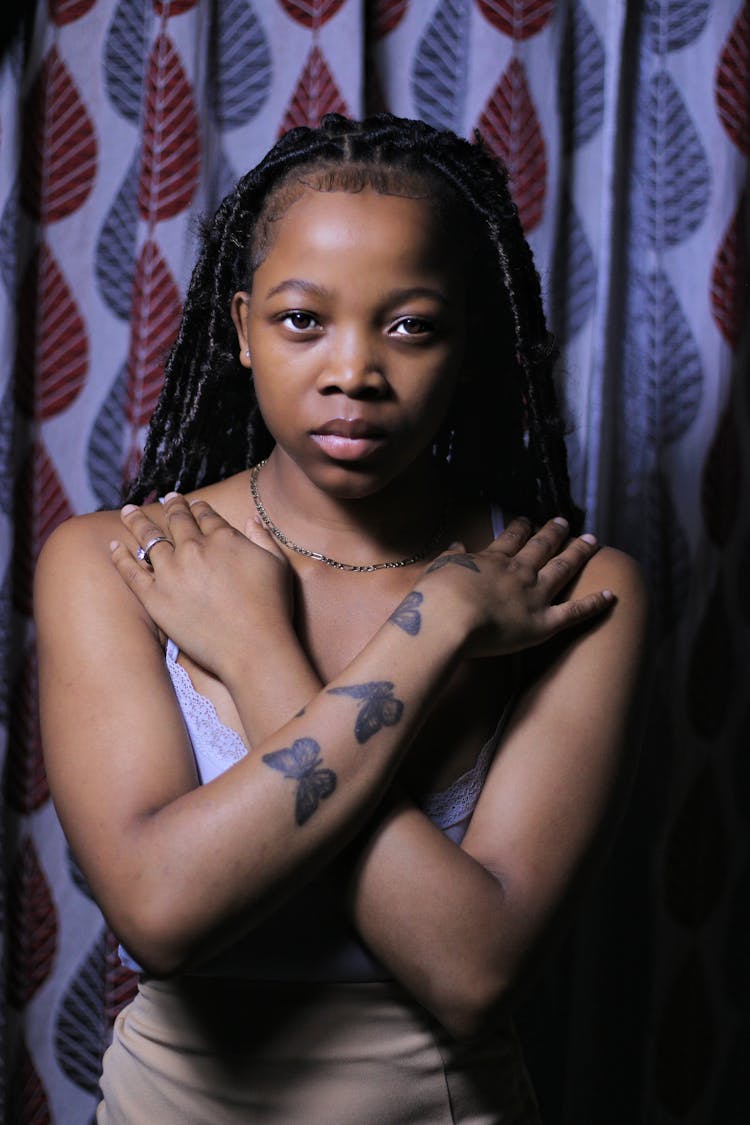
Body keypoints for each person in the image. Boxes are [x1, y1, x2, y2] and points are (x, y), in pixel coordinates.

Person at [35, 113, 648, 1124]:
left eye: (410, 324)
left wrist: (402, 623)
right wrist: (425, 637)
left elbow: (472, 969)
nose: (353, 372)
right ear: (238, 327)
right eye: (301, 320)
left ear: (470, 341)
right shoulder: (120, 564)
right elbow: (164, 913)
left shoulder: (568, 589)